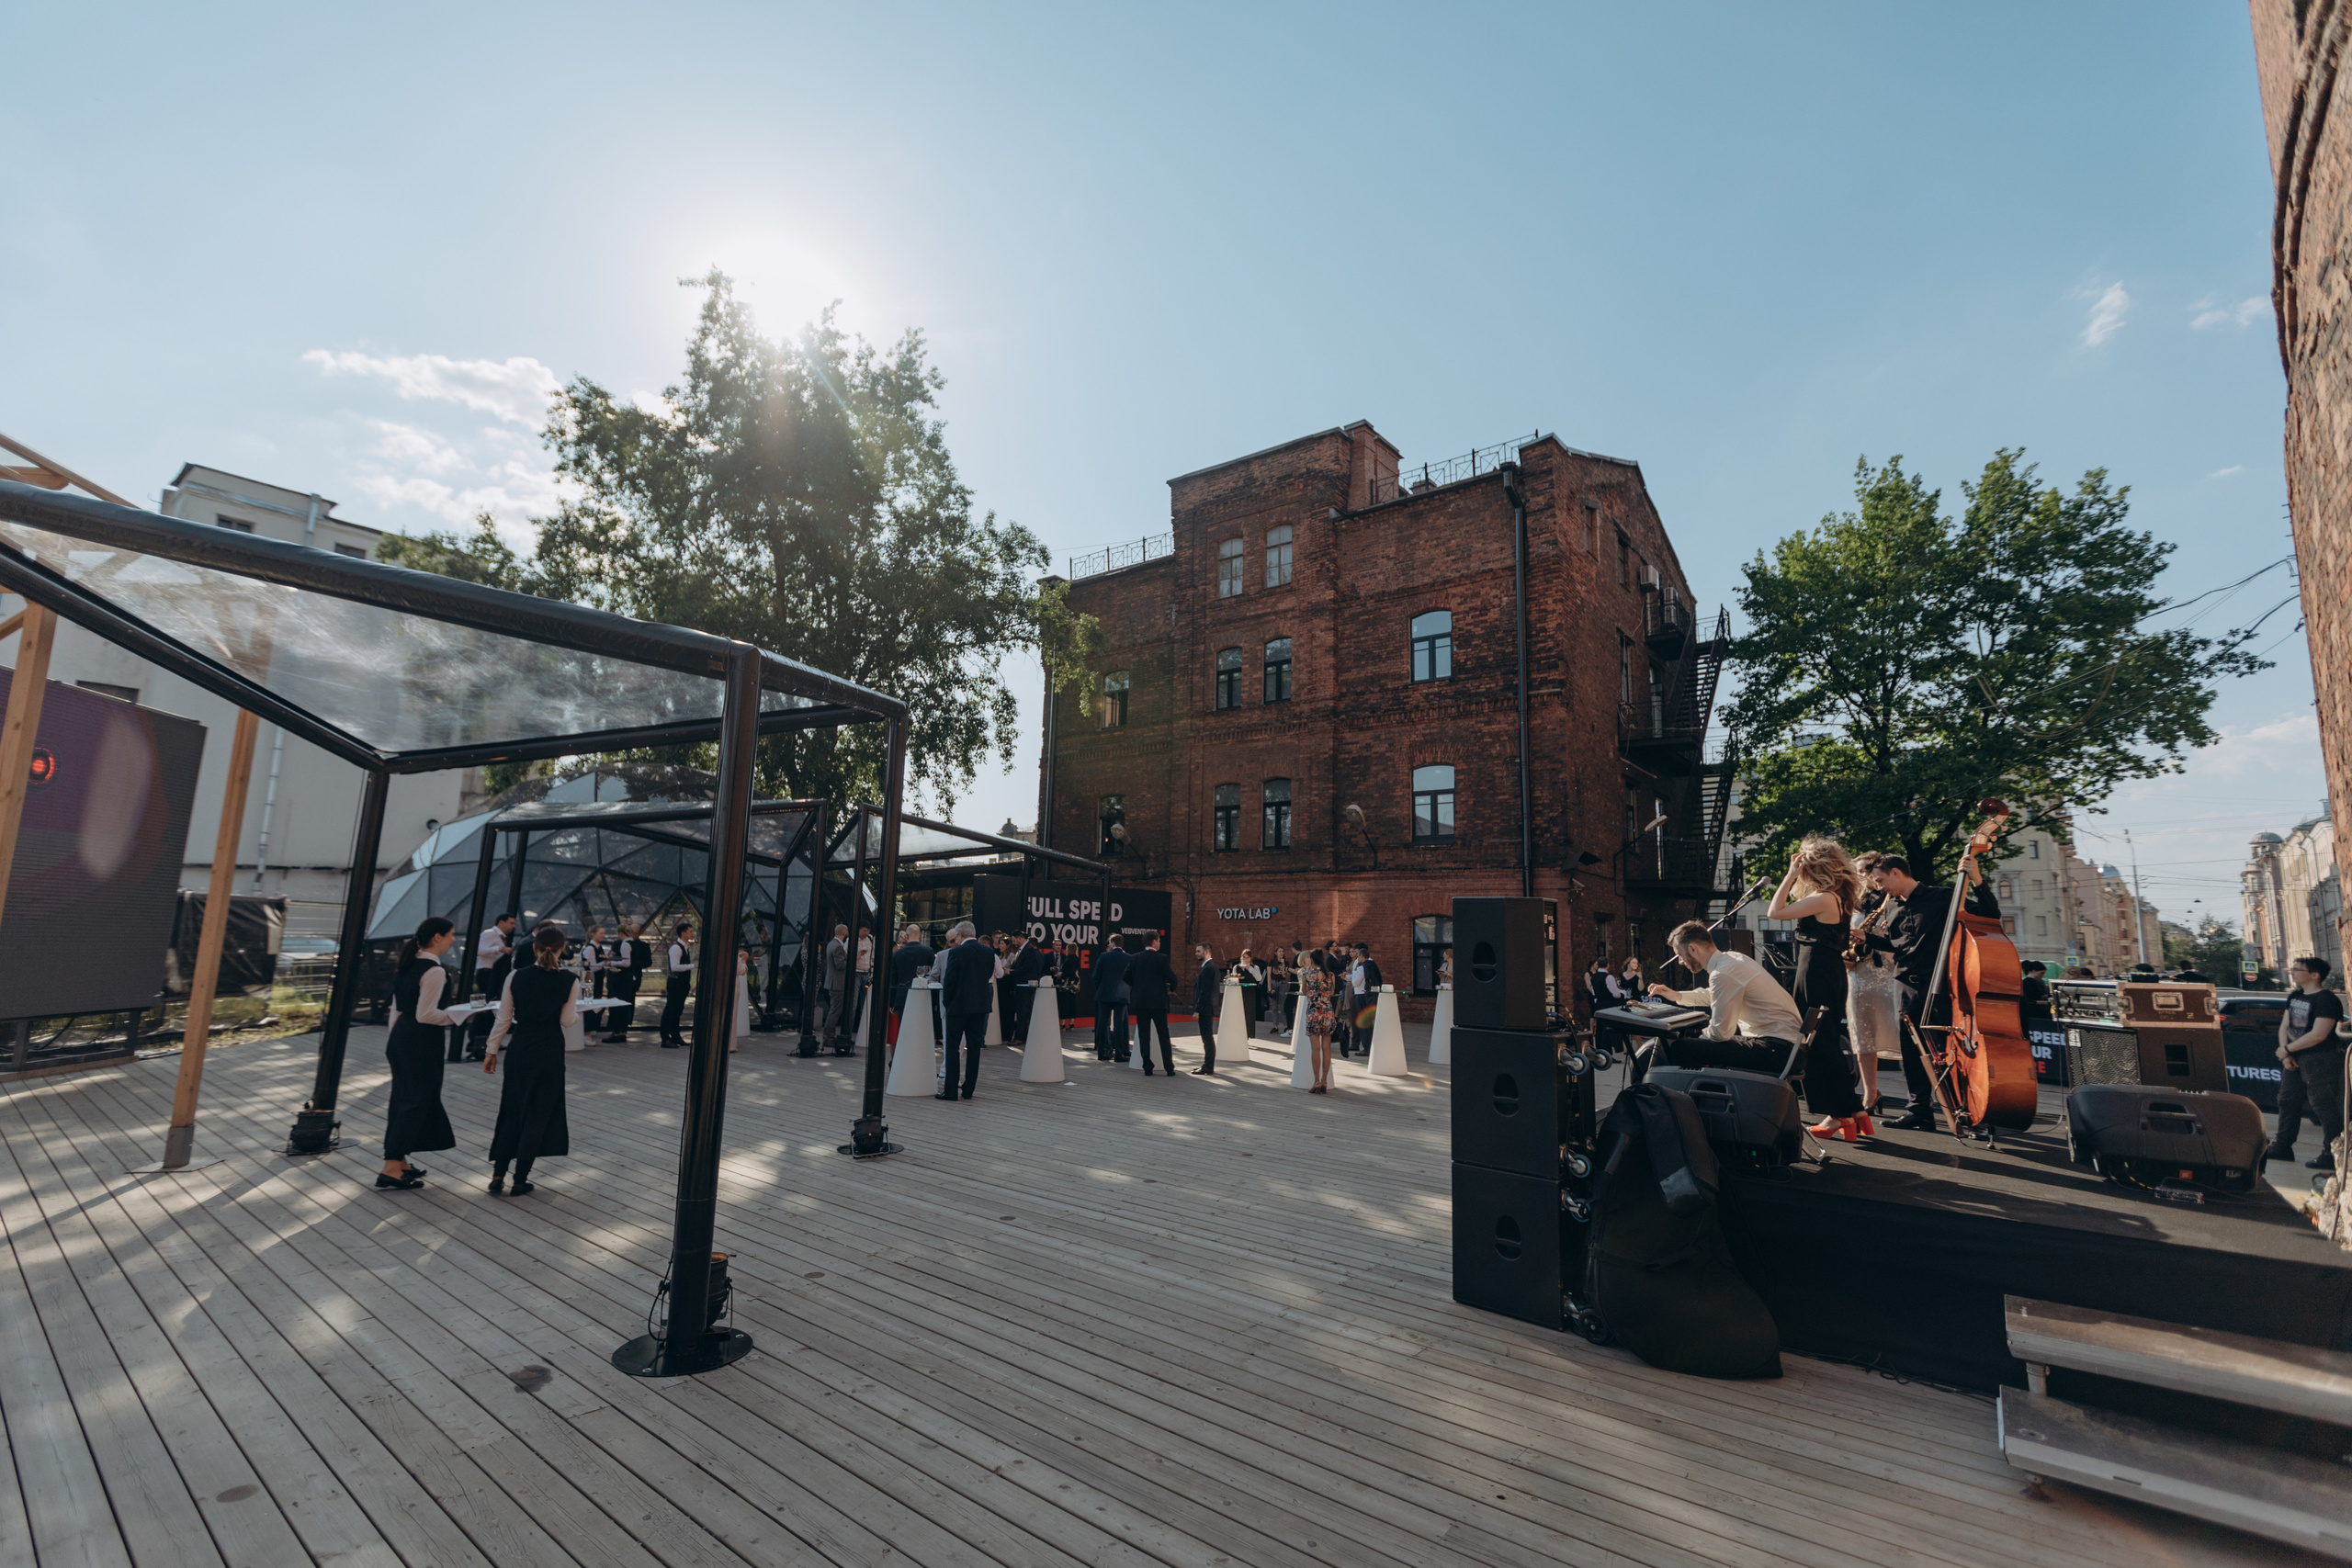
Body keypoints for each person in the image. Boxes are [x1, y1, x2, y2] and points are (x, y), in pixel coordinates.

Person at [1865, 850, 1996, 1132]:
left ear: (1897, 873)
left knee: (1946, 1050)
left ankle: (1963, 1109)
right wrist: (1868, 938)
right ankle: (1919, 1111)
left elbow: (1989, 914)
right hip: (1904, 985)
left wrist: (1976, 879)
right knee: (1912, 1052)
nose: (1878, 886)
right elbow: (1896, 945)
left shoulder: (1943, 896)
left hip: (1940, 986)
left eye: (1880, 880)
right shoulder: (1890, 906)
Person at [1767, 837, 1869, 1140]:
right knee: (1823, 1041)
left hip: (1816, 972)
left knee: (1816, 1043)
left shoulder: (1825, 898)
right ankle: (1851, 1112)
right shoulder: (1838, 897)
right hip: (1828, 970)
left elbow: (1775, 911)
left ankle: (1839, 1114)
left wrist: (1788, 876)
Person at [481, 924, 578, 1195]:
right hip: (549, 1050)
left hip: (520, 1048)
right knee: (538, 1114)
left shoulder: (515, 976)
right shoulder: (570, 980)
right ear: (562, 949)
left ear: (534, 948)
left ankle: (497, 1176)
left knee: (511, 1110)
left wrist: (491, 1052)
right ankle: (520, 1179)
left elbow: (503, 1019)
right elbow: (568, 1021)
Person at [1646, 919, 1805, 1074]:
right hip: (1789, 1047)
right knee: (1697, 1044)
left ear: (1693, 949)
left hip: (1777, 1051)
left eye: (1680, 954)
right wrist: (1677, 995)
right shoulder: (1732, 959)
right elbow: (1716, 994)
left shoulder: (1723, 973)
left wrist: (1701, 1035)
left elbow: (1721, 1033)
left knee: (1682, 1048)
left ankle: (1697, 1098)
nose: (1681, 961)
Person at [379, 916, 460, 1190]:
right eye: (450, 934)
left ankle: (399, 1161)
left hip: (402, 1038)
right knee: (415, 1100)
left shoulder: (408, 963)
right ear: (437, 937)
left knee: (404, 1097)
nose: (453, 939)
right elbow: (426, 1014)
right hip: (422, 1042)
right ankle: (391, 1166)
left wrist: (395, 1039)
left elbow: (398, 1009)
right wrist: (457, 1015)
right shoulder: (435, 971)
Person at [2268, 956, 2346, 1170]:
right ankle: (2282, 1146)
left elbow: (2318, 1035)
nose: (2292, 972)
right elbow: (2285, 1025)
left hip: (2320, 1059)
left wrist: (2286, 1050)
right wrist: (2286, 1054)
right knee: (2287, 1100)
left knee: (2324, 1106)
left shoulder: (2327, 1000)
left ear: (2314, 975)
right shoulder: (2295, 995)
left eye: (2297, 969)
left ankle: (2332, 1155)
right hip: (2294, 1057)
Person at [1844, 852, 1898, 1117]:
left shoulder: (1894, 900)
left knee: (1901, 1035)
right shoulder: (1853, 906)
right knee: (1863, 1037)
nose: (1862, 875)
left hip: (1887, 975)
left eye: (1866, 870)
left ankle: (1922, 1100)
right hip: (1857, 977)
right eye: (1858, 871)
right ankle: (1870, 1093)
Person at [937, 921, 994, 1100]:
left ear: (960, 936)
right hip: (979, 1006)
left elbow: (949, 981)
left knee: (952, 1048)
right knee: (974, 1049)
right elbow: (988, 975)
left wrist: (947, 1003)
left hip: (958, 1006)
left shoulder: (956, 952)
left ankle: (951, 1091)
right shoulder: (989, 952)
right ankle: (969, 1090)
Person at [467, 911, 518, 1059]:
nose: (513, 927)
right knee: (487, 1005)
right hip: (486, 973)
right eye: (511, 923)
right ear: (501, 922)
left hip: (494, 974)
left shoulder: (501, 937)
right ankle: (476, 1038)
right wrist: (499, 949)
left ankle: (488, 1039)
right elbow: (478, 950)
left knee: (493, 1006)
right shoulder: (489, 934)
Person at [1125, 934, 1178, 1076]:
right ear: (1154, 942)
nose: (1160, 943)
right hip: (1158, 1002)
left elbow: (1126, 976)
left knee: (1144, 1034)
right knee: (1163, 1034)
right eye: (1159, 941)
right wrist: (1170, 989)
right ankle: (1169, 1067)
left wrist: (1137, 987)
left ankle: (1147, 1065)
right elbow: (1172, 978)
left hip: (1141, 1001)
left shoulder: (1135, 958)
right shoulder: (1162, 958)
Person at [886, 922, 936, 1046]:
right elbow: (934, 974)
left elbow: (893, 979)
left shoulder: (897, 954)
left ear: (907, 937)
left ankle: (906, 1052)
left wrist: (891, 1002)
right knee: (922, 1029)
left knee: (905, 1028)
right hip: (923, 997)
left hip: (902, 996)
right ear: (920, 936)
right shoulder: (928, 952)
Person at [605, 920, 651, 1043]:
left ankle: (618, 1032)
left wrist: (612, 963)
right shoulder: (628, 944)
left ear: (621, 933)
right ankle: (620, 1031)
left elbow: (627, 962)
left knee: (620, 1004)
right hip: (627, 978)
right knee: (624, 1004)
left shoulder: (626, 944)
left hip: (623, 979)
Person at [1300, 947, 1336, 1092]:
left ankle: (1316, 1081)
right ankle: (1325, 1081)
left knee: (1315, 1048)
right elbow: (1332, 992)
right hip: (1327, 1011)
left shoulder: (1307, 974)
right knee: (1326, 1048)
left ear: (1312, 960)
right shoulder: (1331, 975)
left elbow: (1304, 991)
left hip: (1314, 1012)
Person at [1093, 936, 1133, 1062]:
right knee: (1119, 1025)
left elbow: (1096, 976)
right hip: (1121, 995)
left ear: (1113, 943)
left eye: (1110, 942)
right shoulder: (1129, 958)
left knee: (1102, 1024)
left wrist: (1100, 988)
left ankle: (1101, 1053)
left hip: (1104, 994)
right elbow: (1131, 978)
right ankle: (1119, 1054)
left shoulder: (1104, 956)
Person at [1003, 930, 1046, 1044]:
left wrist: (1011, 972)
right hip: (1020, 986)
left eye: (1014, 940)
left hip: (1024, 986)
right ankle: (1022, 1035)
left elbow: (1027, 968)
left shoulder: (1029, 950)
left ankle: (1019, 1036)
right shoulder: (1022, 950)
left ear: (1020, 938)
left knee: (1023, 1012)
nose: (1013, 942)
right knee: (1022, 1011)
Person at [660, 919, 696, 1048]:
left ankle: (675, 1035)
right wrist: (693, 966)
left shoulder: (685, 947)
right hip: (675, 984)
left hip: (682, 983)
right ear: (683, 933)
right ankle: (665, 1038)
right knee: (671, 1009)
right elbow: (674, 967)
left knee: (677, 1010)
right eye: (690, 931)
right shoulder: (676, 948)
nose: (692, 933)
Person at [818, 922, 851, 1051]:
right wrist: (853, 959)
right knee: (835, 1011)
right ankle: (828, 1037)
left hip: (832, 982)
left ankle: (829, 1036)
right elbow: (840, 965)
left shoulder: (831, 944)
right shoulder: (837, 947)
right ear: (844, 933)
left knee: (834, 1009)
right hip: (838, 983)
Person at [1192, 943, 1222, 1073]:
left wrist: (1198, 1009)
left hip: (1206, 1008)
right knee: (1207, 1037)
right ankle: (1207, 1065)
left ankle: (1208, 1066)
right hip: (1209, 1007)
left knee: (1207, 1037)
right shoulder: (1212, 967)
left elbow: (1205, 991)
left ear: (1207, 951)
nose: (1196, 953)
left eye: (1199, 951)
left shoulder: (1208, 968)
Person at [733, 941, 755, 1051]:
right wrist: (744, 960)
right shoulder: (733, 955)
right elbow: (741, 971)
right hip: (733, 985)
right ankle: (731, 1044)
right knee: (732, 1015)